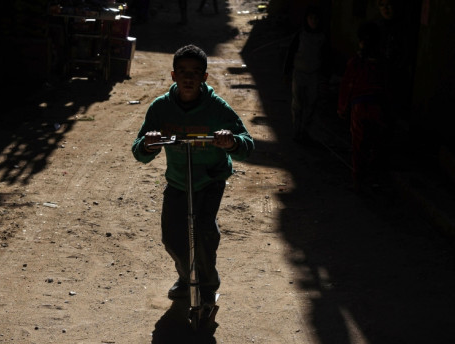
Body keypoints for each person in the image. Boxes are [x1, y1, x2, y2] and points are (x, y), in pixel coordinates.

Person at [132, 44, 254, 307]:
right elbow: (139, 151)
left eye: (196, 72)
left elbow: (247, 144)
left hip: (209, 180)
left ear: (204, 77)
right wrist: (148, 143)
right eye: (183, 72)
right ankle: (188, 278)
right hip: (178, 181)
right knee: (173, 237)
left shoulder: (217, 109)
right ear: (173, 75)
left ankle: (207, 287)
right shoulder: (161, 108)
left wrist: (231, 141)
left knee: (203, 233)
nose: (189, 77)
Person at [337, 21, 389, 191]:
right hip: (377, 106)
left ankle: (358, 180)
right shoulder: (381, 62)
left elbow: (347, 85)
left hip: (359, 107)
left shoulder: (356, 62)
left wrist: (342, 108)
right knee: (375, 142)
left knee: (358, 145)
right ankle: (372, 179)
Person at [282, 5, 331, 144]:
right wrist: (286, 73)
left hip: (313, 75)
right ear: (306, 19)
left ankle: (305, 131)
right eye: (311, 18)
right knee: (297, 104)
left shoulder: (322, 37)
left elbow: (327, 57)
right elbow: (290, 54)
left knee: (311, 104)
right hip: (299, 74)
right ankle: (296, 131)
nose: (314, 21)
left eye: (316, 18)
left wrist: (326, 76)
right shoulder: (300, 35)